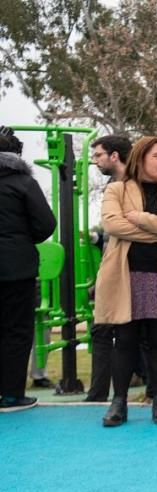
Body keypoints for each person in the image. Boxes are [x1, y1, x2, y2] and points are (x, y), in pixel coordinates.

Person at [93, 136, 157, 427]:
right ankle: (119, 402)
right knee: (124, 339)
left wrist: (141, 219)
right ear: (140, 158)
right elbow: (113, 224)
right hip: (126, 275)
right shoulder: (117, 190)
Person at [0, 127, 57, 412]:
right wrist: (23, 240)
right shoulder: (23, 183)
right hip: (16, 267)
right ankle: (11, 395)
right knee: (17, 330)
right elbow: (46, 224)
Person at [84, 135, 133, 404]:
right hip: (112, 263)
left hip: (131, 265)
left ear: (114, 156)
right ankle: (98, 395)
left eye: (99, 155)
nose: (95, 161)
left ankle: (153, 390)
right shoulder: (112, 186)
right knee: (102, 329)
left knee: (136, 331)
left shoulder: (132, 186)